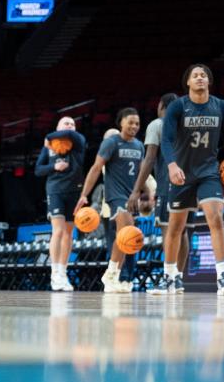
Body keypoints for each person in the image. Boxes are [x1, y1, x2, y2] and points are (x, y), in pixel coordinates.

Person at [154, 64, 224, 296]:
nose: (200, 78)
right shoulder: (177, 106)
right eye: (195, 75)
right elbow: (166, 141)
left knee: (215, 218)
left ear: (209, 81)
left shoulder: (221, 106)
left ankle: (222, 276)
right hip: (182, 173)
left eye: (204, 75)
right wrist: (172, 165)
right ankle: (169, 276)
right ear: (188, 83)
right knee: (175, 227)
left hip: (208, 172)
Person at [75, 109, 144, 293]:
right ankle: (112, 273)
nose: (134, 126)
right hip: (116, 194)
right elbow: (96, 168)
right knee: (127, 232)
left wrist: (141, 193)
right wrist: (84, 194)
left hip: (131, 196)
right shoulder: (111, 143)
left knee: (125, 236)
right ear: (121, 122)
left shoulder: (139, 146)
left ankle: (115, 274)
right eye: (130, 122)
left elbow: (140, 173)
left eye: (137, 123)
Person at [129, 93, 191, 290]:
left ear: (160, 106)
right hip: (190, 183)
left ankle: (168, 278)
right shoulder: (188, 124)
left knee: (170, 232)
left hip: (168, 183)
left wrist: (136, 190)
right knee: (183, 232)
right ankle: (178, 279)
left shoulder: (157, 124)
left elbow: (149, 159)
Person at [34, 116, 87, 292]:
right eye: (66, 123)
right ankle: (54, 271)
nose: (70, 126)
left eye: (73, 124)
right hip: (55, 190)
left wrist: (49, 136)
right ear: (58, 126)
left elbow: (63, 134)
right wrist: (54, 168)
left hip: (74, 191)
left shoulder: (78, 140)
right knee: (58, 231)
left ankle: (63, 272)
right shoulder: (49, 148)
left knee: (69, 233)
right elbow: (38, 170)